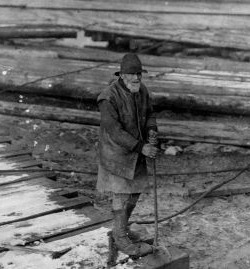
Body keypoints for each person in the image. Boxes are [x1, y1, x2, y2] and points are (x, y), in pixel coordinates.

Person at [97, 53, 158, 257]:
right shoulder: (108, 97)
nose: (136, 78)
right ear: (122, 75)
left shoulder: (142, 91)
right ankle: (121, 238)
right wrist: (141, 147)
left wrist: (152, 130)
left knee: (135, 192)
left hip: (136, 154)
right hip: (116, 155)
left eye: (139, 74)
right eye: (132, 74)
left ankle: (119, 230)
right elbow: (114, 130)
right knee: (121, 195)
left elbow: (150, 113)